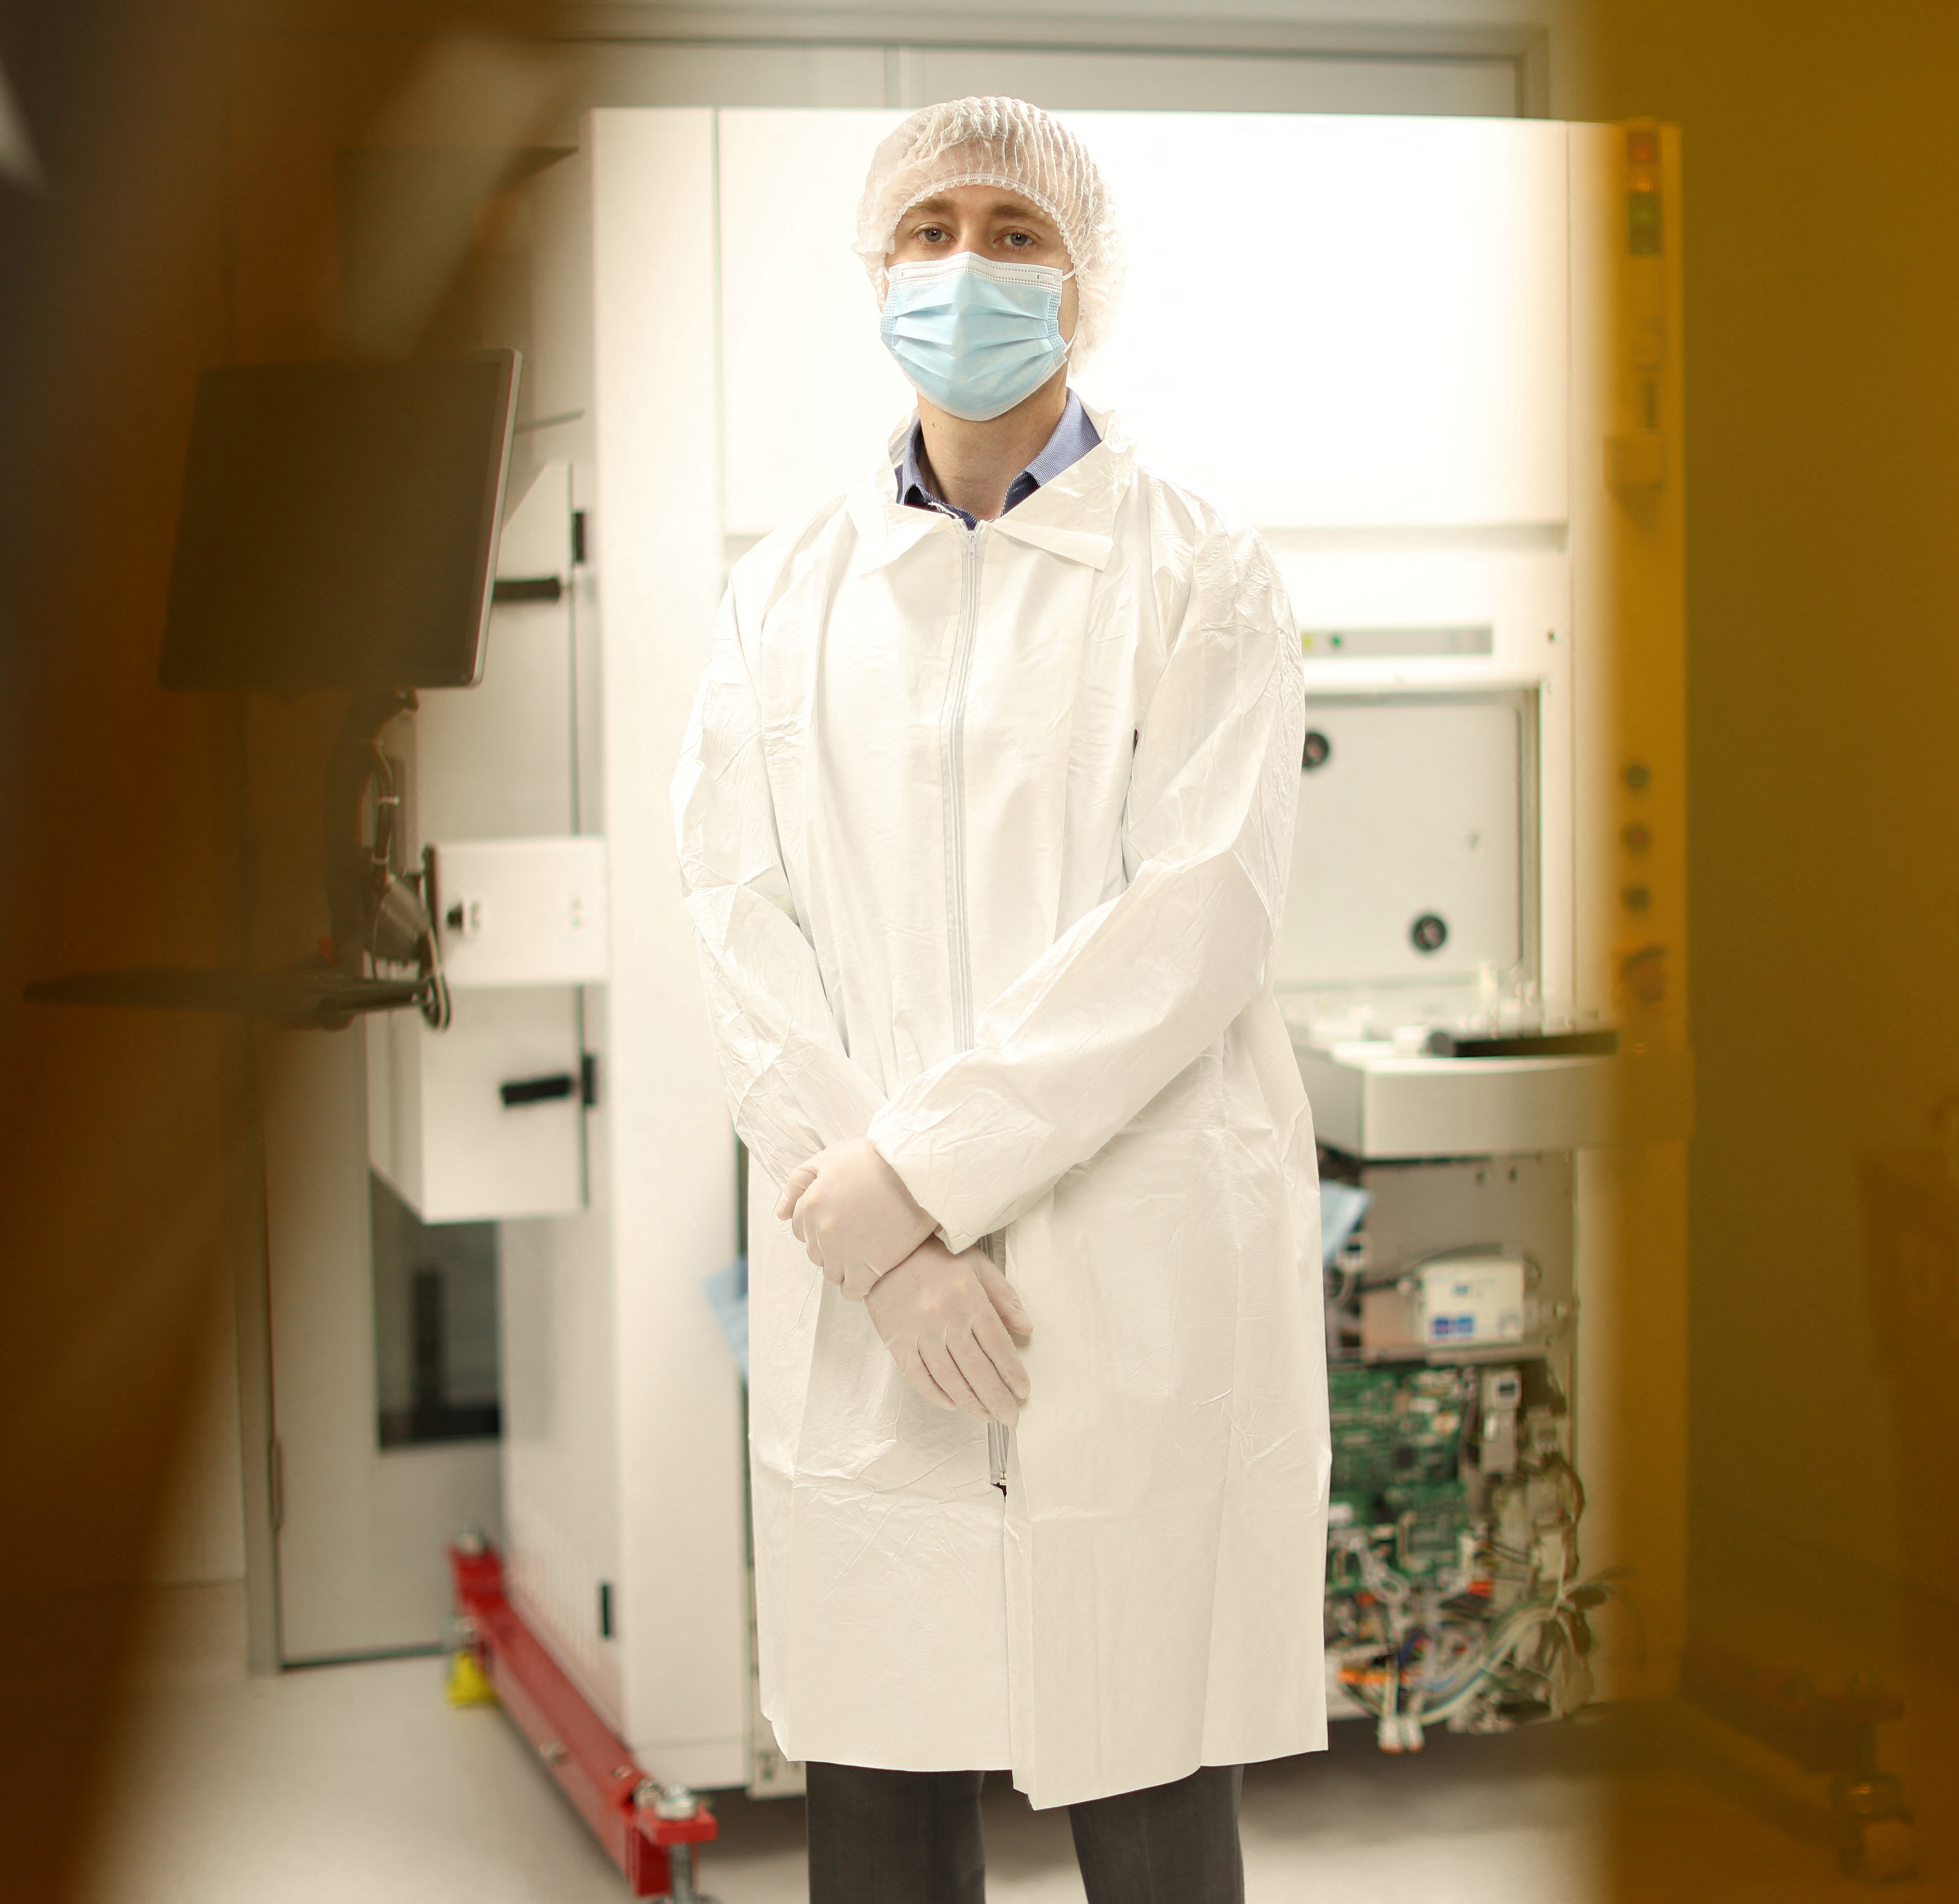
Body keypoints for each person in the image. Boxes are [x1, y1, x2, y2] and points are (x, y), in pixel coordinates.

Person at [674, 97, 1328, 1904]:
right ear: (878, 266)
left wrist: (922, 1173)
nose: (968, 264)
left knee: (1146, 1784)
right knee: (879, 1793)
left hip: (1123, 1277)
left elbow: (1190, 920)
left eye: (1017, 233)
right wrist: (876, 1235)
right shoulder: (783, 597)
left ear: (1084, 284)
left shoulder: (1200, 574)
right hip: (873, 1284)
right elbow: (734, 918)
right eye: (934, 225)